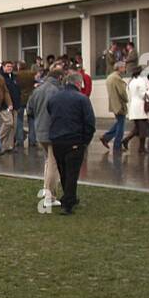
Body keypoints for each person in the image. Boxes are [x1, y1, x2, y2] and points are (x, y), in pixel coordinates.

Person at [46, 71, 95, 215]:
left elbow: (50, 113)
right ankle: (67, 203)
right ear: (78, 83)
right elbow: (90, 123)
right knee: (72, 172)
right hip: (74, 140)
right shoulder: (82, 99)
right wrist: (85, 140)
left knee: (63, 171)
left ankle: (70, 197)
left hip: (57, 140)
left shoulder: (54, 98)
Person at [26, 66, 64, 206]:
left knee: (48, 162)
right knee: (53, 164)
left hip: (39, 130)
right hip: (53, 131)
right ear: (59, 77)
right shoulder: (57, 91)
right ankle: (49, 197)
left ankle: (46, 190)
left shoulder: (38, 90)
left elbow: (29, 109)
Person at [121, 66, 149, 152]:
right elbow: (143, 95)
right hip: (140, 107)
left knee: (138, 128)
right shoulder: (141, 81)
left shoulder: (131, 81)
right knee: (143, 128)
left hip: (134, 106)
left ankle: (126, 140)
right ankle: (141, 148)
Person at [101, 61, 129, 151]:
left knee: (119, 123)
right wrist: (126, 99)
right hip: (119, 105)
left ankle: (106, 137)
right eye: (124, 67)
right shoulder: (117, 78)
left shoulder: (110, 77)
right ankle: (117, 145)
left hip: (114, 104)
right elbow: (122, 93)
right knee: (121, 126)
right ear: (120, 68)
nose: (125, 69)